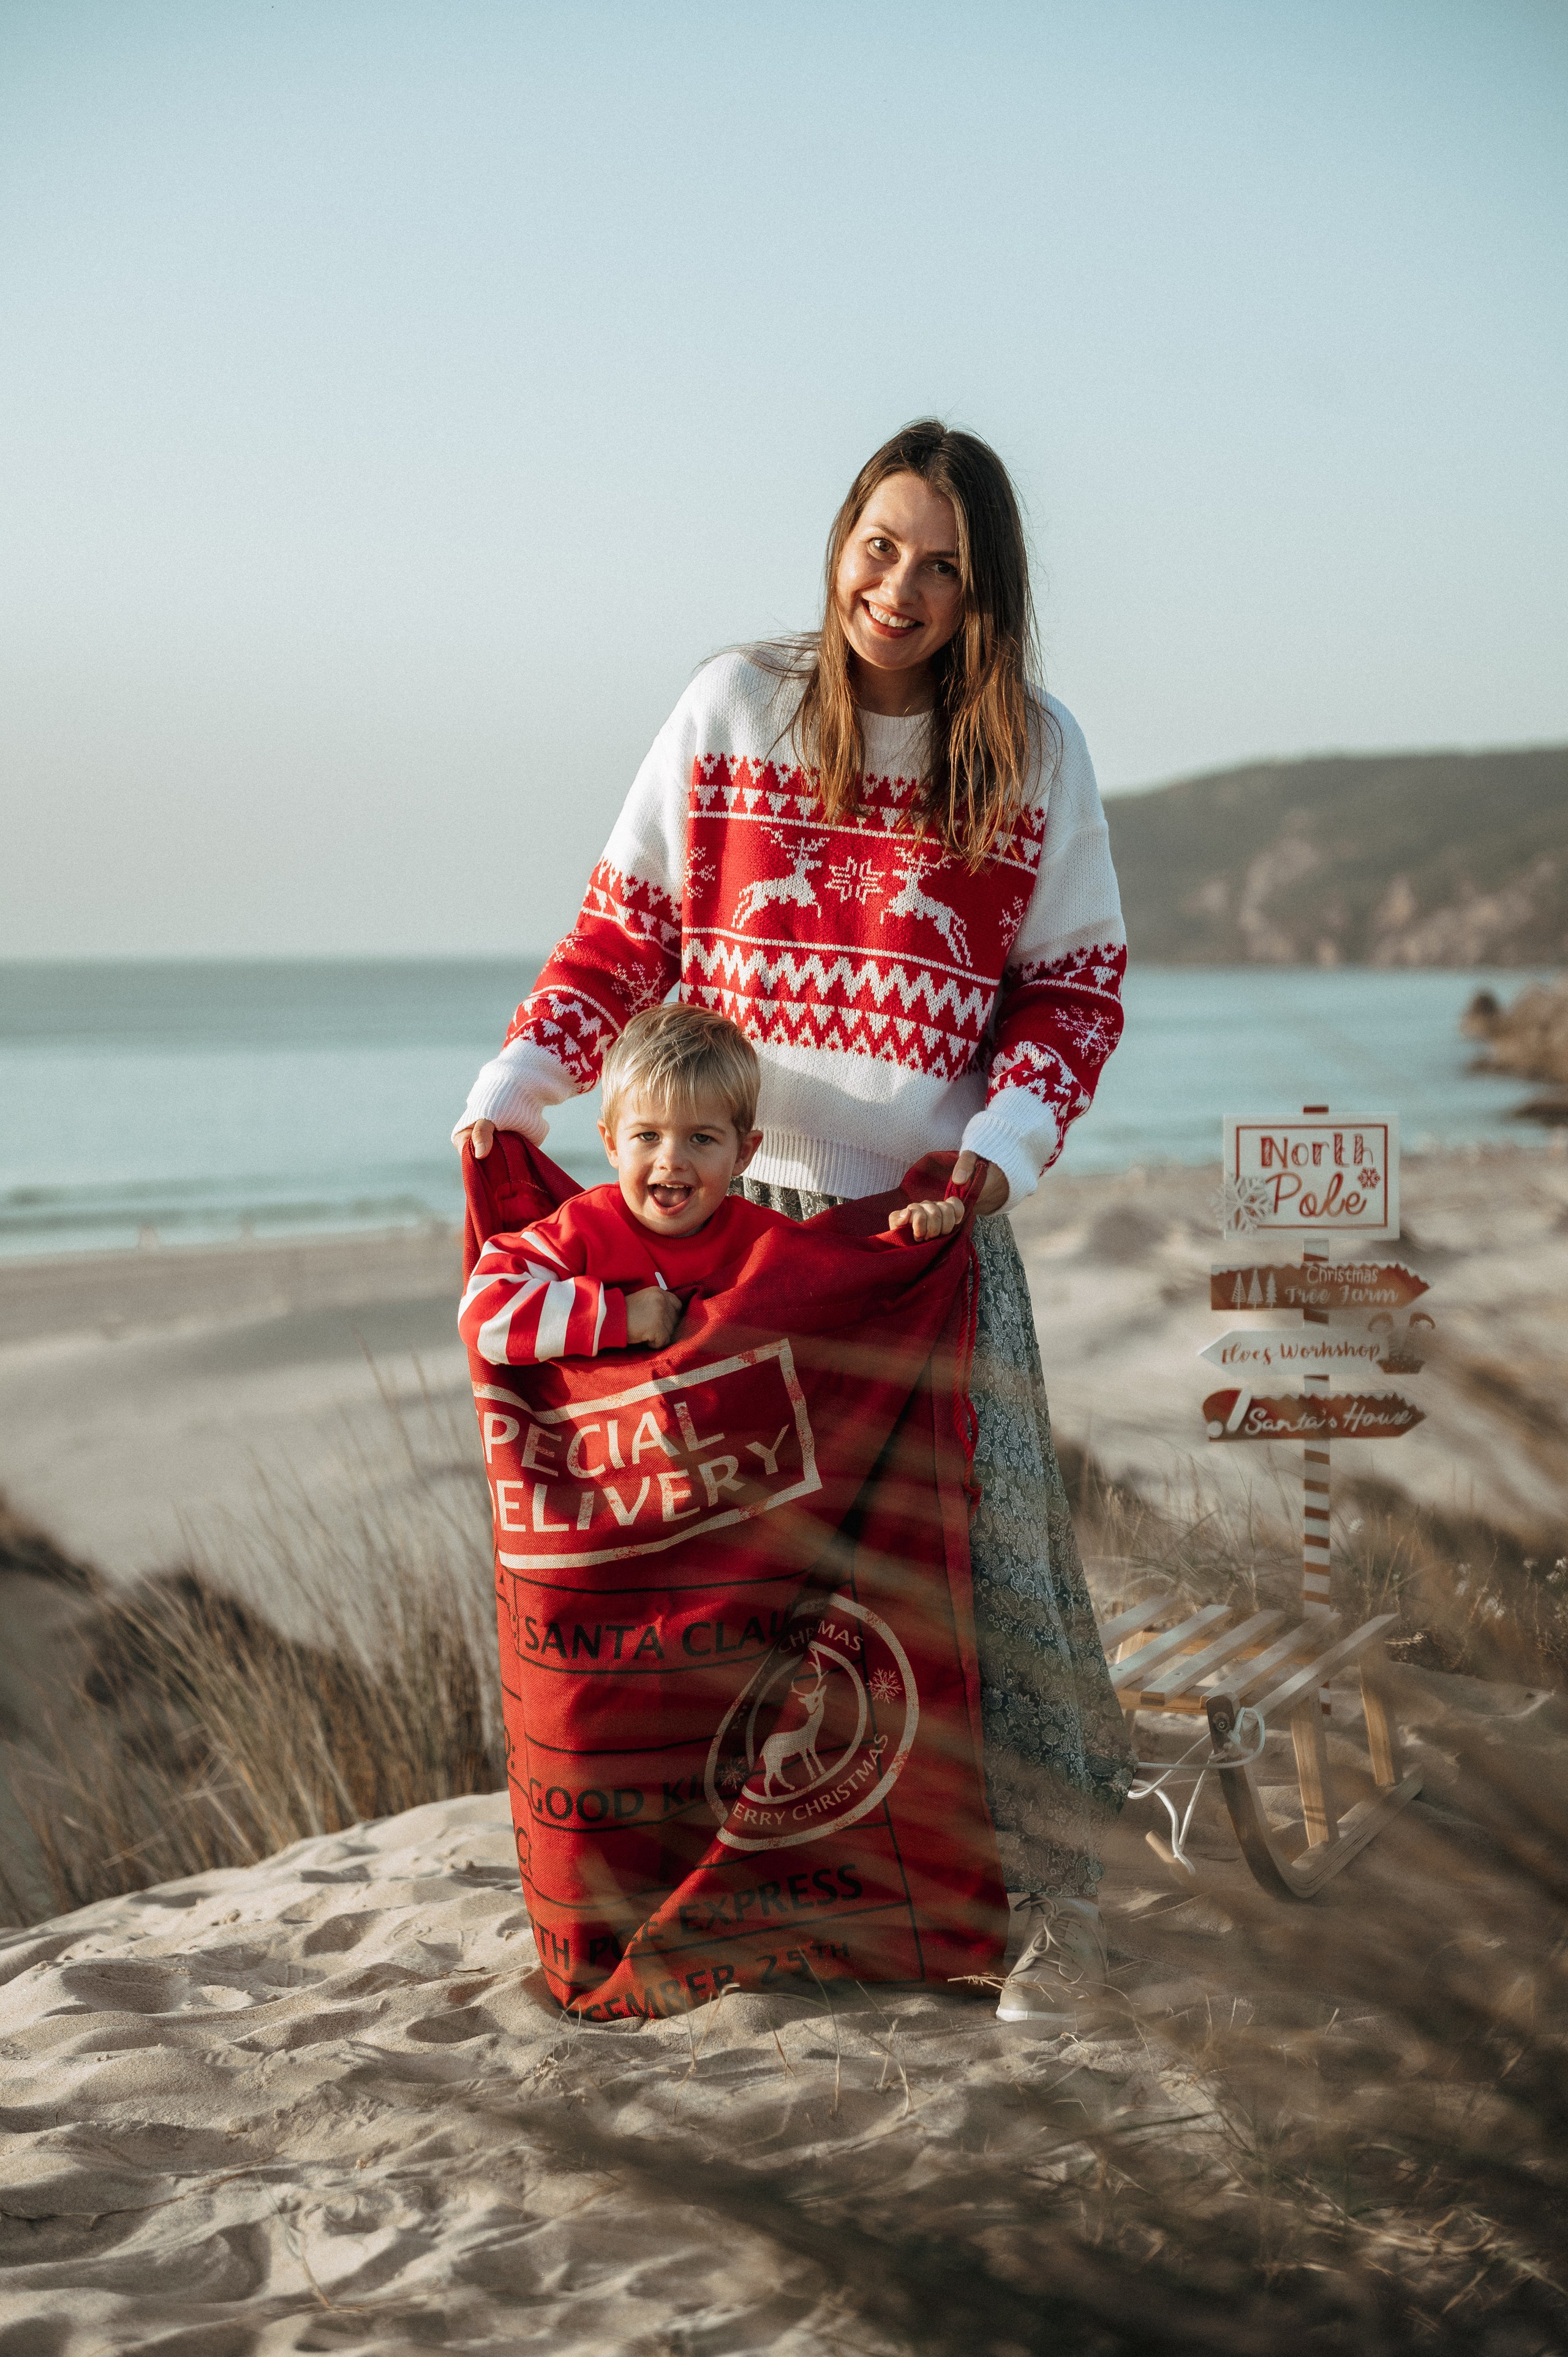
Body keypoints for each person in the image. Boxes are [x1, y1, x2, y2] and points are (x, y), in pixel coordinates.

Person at [454, 419, 1133, 2022]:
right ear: (840, 540)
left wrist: (998, 1153)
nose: (899, 588)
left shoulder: (1036, 755)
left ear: (985, 592)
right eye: (878, 546)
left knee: (980, 1572)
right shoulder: (731, 707)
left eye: (943, 567)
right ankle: (737, 1889)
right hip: (728, 1220)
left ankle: (1039, 1899)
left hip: (915, 1240)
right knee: (730, 1578)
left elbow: (1075, 986)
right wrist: (519, 1088)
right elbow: (624, 933)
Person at [459, 1003, 963, 1367]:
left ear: (743, 1152)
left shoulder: (763, 1241)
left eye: (701, 1138)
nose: (671, 1159)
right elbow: (482, 1313)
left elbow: (850, 1281)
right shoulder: (582, 1229)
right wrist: (620, 1316)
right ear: (611, 1143)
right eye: (648, 1136)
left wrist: (913, 1230)